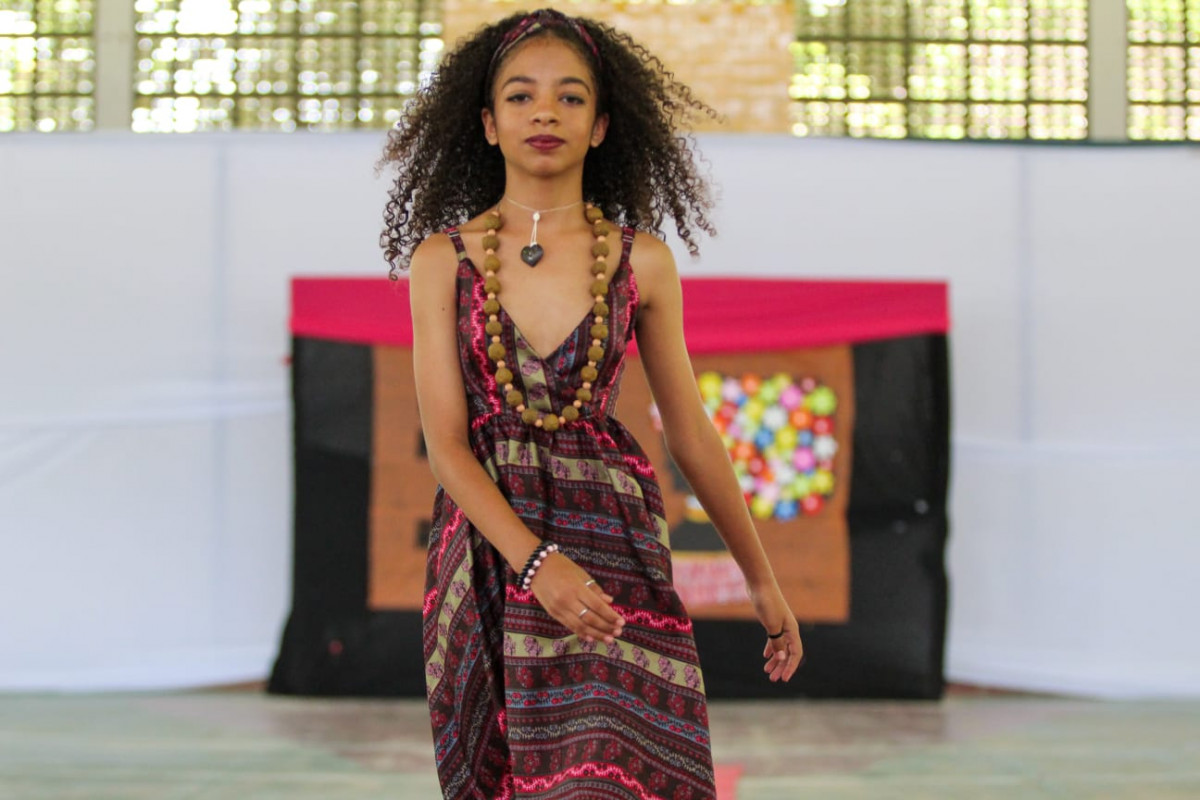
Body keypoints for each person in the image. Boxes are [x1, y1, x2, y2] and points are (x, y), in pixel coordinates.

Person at [379, 8, 803, 799]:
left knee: (619, 776)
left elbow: (692, 435)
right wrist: (537, 564)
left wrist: (760, 578)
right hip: (488, 560)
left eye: (570, 97)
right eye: (520, 96)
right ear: (488, 123)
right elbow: (447, 447)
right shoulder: (443, 259)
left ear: (603, 125)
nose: (545, 112)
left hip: (616, 553)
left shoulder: (644, 261)